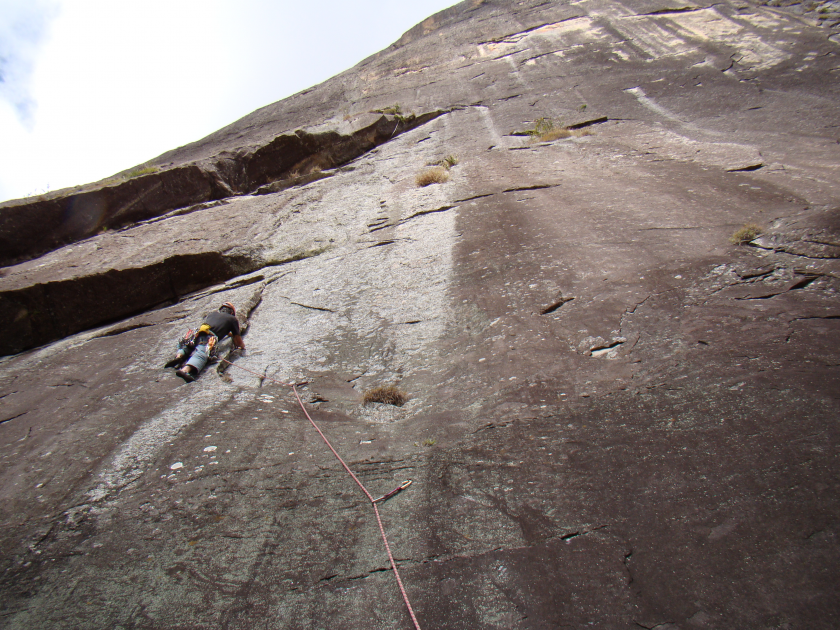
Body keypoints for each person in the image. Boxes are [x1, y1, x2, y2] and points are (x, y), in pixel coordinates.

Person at [166, 302, 246, 382]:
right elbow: (238, 341)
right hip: (209, 337)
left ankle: (179, 356)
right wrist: (242, 347)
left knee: (187, 345)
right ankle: (185, 370)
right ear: (231, 312)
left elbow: (217, 326)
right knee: (202, 353)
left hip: (197, 333)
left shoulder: (212, 314)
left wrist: (229, 334)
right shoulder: (232, 319)